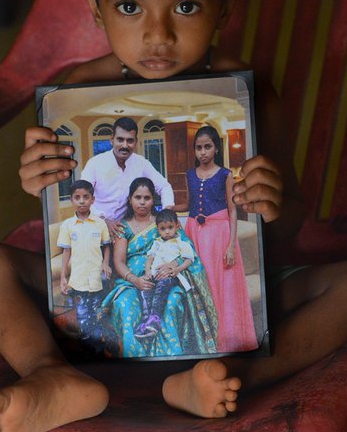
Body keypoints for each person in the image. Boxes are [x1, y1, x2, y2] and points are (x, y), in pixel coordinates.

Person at [0, 0, 347, 430]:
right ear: (94, 2)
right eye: (130, 6)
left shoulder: (250, 94)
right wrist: (38, 178)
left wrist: (272, 202)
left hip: (228, 286)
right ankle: (50, 373)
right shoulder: (71, 97)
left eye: (185, 6)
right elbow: (62, 213)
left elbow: (288, 227)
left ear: (225, 4)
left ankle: (227, 377)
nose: (158, 36)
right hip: (100, 279)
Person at [99, 178, 217, 357]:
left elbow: (188, 250)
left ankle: (171, 359)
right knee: (125, 305)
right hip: (133, 282)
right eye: (137, 197)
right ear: (130, 199)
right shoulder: (123, 227)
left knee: (171, 304)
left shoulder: (164, 222)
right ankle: (137, 363)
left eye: (147, 197)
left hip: (166, 278)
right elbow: (119, 262)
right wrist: (135, 280)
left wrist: (174, 266)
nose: (142, 202)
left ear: (153, 200)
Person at [174, 126, 258, 353]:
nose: (203, 152)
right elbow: (188, 205)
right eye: (199, 148)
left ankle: (226, 339)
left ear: (216, 148)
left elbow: (232, 210)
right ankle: (203, 337)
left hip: (219, 236)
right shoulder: (189, 175)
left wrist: (231, 246)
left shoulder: (225, 175)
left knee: (222, 286)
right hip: (195, 234)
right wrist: (170, 208)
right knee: (200, 283)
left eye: (207, 147)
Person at [80, 117, 175, 238]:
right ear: (111, 140)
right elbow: (82, 196)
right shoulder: (95, 164)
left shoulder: (141, 163)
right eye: (120, 139)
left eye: (130, 141)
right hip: (94, 227)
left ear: (135, 142)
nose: (125, 145)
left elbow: (164, 186)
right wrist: (103, 220)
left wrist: (167, 211)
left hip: (123, 232)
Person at [57, 180, 112, 350]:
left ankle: (100, 343)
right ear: (72, 200)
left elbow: (107, 246)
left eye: (86, 197)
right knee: (82, 315)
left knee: (97, 313)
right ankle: (89, 345)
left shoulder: (100, 223)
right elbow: (66, 252)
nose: (82, 201)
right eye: (77, 197)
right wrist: (63, 277)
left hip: (97, 279)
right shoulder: (67, 225)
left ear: (92, 200)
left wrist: (105, 264)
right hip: (78, 280)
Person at [134, 208, 195, 339]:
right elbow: (149, 258)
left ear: (177, 226)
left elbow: (189, 260)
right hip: (155, 275)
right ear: (158, 229)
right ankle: (146, 320)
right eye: (163, 229)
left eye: (170, 227)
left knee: (162, 287)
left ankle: (155, 319)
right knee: (145, 289)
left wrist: (177, 269)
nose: (167, 231)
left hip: (170, 276)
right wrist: (147, 271)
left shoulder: (181, 243)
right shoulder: (157, 243)